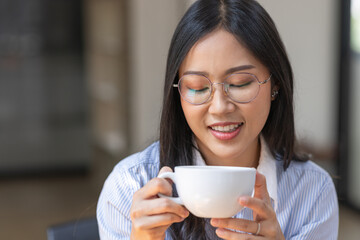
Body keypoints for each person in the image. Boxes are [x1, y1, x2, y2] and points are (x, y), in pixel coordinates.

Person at [96, 0, 339, 239]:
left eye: (240, 83)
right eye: (197, 87)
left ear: (275, 83)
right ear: (177, 94)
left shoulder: (312, 193)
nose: (220, 107)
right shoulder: (129, 186)